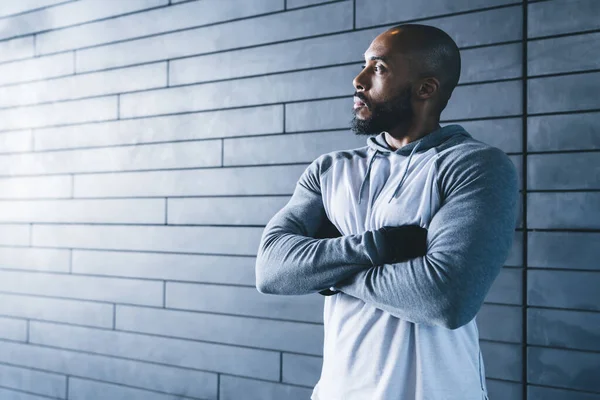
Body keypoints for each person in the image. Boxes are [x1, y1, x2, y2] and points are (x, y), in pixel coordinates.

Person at [255, 23, 519, 400]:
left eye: (378, 68)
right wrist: (380, 247)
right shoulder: (330, 170)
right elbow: (271, 270)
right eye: (364, 65)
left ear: (426, 88)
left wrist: (327, 272)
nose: (358, 80)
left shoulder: (475, 166)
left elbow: (446, 299)